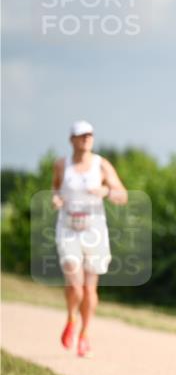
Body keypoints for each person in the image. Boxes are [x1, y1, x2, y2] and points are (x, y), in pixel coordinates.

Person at [51, 120, 128, 358]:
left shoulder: (101, 165)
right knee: (75, 285)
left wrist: (105, 191)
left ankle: (84, 334)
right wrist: (57, 199)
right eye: (81, 135)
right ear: (72, 139)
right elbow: (55, 189)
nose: (86, 139)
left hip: (94, 230)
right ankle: (71, 318)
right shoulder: (62, 165)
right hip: (68, 228)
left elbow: (122, 195)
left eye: (89, 135)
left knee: (89, 288)